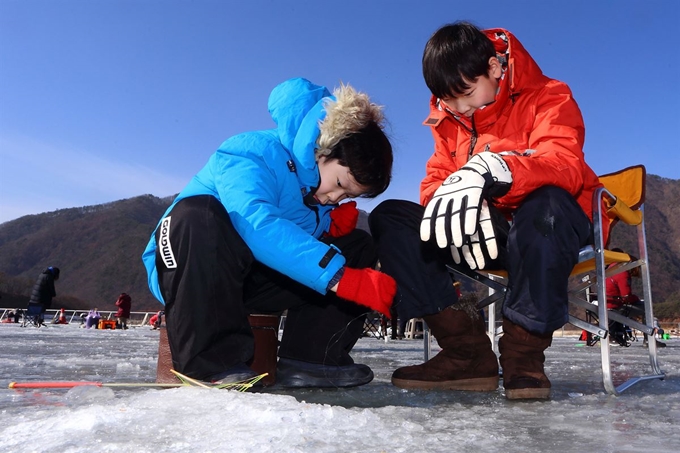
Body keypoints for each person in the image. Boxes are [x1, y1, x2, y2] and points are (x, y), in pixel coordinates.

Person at [369, 22, 604, 400]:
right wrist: (459, 202)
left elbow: (564, 164)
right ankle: (466, 352)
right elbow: (433, 183)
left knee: (546, 205)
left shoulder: (549, 95)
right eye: (449, 100)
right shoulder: (450, 120)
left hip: (549, 230)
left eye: (465, 93)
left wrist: (500, 168)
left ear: (495, 67)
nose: (460, 108)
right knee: (392, 218)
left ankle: (524, 358)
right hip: (487, 233)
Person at [142, 77, 396, 387]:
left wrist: (328, 225)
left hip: (249, 278)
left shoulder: (316, 199)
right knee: (199, 214)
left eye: (346, 196)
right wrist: (341, 276)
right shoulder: (252, 152)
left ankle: (310, 360)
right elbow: (255, 223)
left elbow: (293, 249)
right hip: (190, 267)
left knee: (357, 245)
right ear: (324, 150)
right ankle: (208, 365)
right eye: (340, 185)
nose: (335, 198)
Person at [606, 248, 665, 348]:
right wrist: (636, 299)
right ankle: (649, 339)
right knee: (647, 308)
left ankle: (648, 338)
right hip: (615, 306)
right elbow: (626, 295)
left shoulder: (609, 269)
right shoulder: (622, 272)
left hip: (608, 304)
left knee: (643, 306)